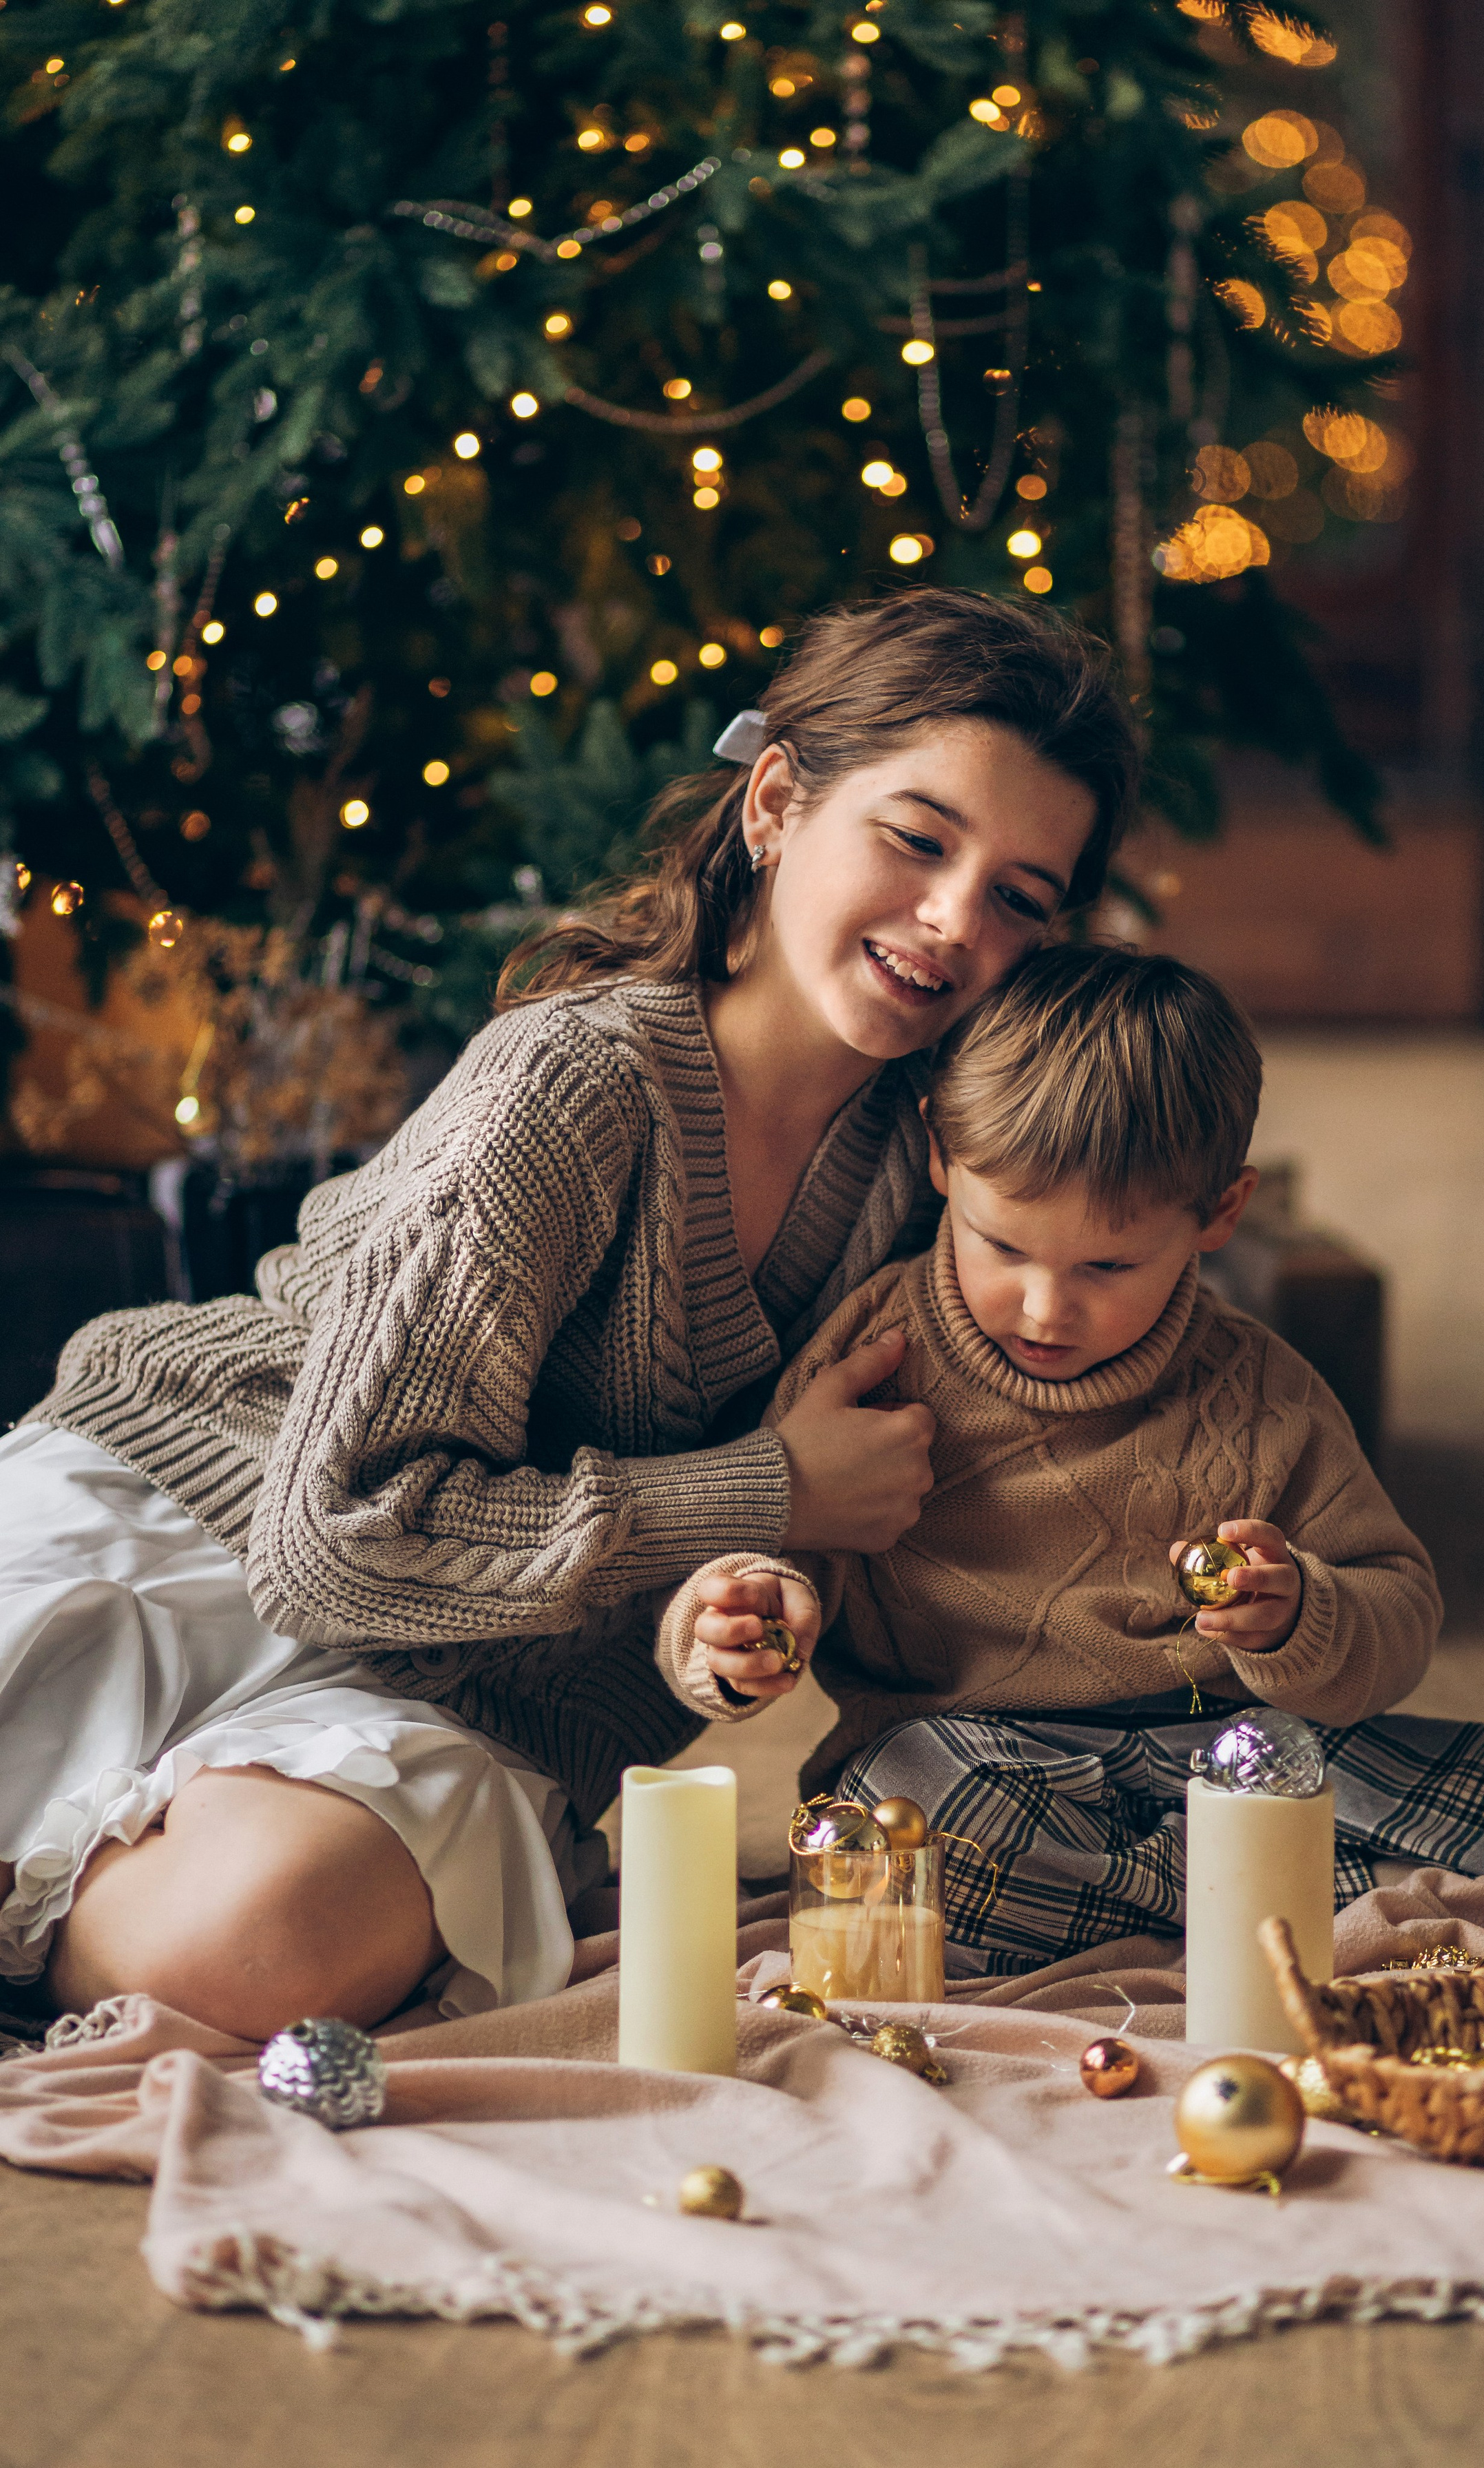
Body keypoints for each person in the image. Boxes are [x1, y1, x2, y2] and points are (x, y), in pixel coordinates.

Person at [0, 590, 1138, 2036]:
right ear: (777, 802)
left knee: (270, 1947)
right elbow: (331, 1548)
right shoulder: (570, 1085)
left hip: (486, 1688)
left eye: (1018, 897)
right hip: (205, 1530)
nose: (950, 919)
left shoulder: (924, 1180)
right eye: (916, 839)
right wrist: (768, 1486)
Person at [660, 946, 1484, 1973]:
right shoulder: (871, 1357)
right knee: (897, 1832)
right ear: (942, 1161)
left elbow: (1398, 1615)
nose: (1046, 1307)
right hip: (968, 1757)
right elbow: (761, 1557)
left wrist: (1300, 1614)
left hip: (1241, 1751)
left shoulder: (1257, 1391)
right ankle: (1300, 1906)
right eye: (1004, 1247)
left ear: (1219, 1213)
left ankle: (1243, 1898)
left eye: (1108, 1263)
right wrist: (741, 1622)